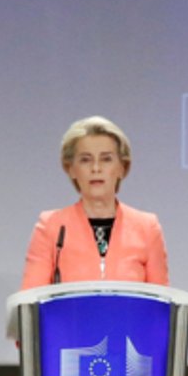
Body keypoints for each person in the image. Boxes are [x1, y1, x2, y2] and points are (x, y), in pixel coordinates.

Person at [19, 115, 168, 289]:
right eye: (85, 160)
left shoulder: (147, 228)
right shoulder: (52, 226)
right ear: (71, 169)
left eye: (106, 159)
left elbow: (161, 303)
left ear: (122, 167)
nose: (96, 168)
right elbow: (30, 300)